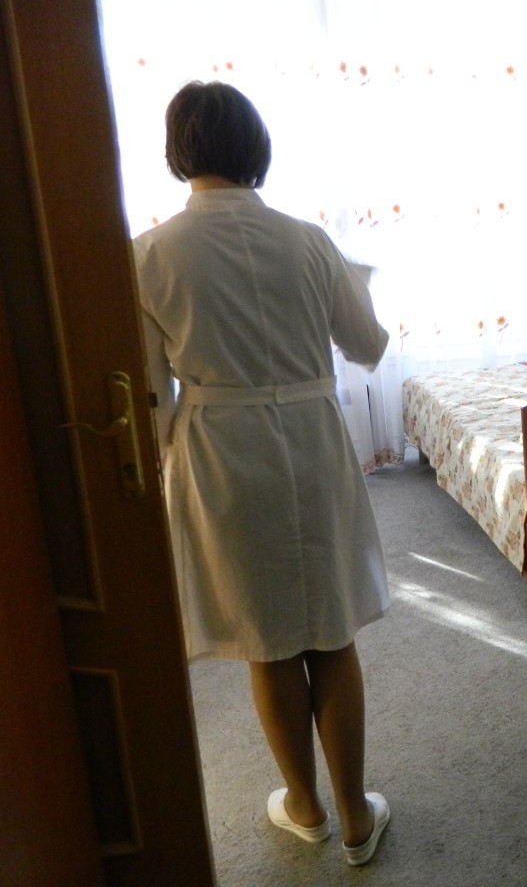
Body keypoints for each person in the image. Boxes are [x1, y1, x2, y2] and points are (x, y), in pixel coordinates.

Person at [133, 81, 392, 866]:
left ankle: (305, 807)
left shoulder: (148, 254)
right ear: (257, 146)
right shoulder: (309, 241)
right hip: (311, 440)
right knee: (330, 631)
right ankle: (357, 816)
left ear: (178, 152)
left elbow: (150, 392)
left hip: (222, 451)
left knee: (269, 639)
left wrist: (166, 455)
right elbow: (369, 344)